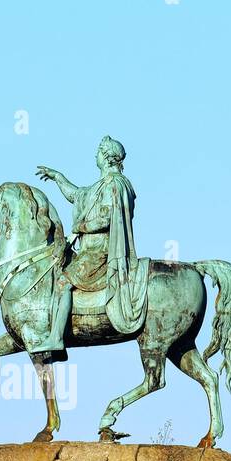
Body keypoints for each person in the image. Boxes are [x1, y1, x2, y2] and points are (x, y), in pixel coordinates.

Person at [34, 135, 141, 351]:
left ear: (107, 157)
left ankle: (56, 338)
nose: (95, 155)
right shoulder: (101, 185)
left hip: (100, 253)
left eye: (99, 152)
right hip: (88, 252)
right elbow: (77, 195)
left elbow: (108, 217)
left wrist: (79, 227)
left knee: (62, 283)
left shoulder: (116, 185)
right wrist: (58, 177)